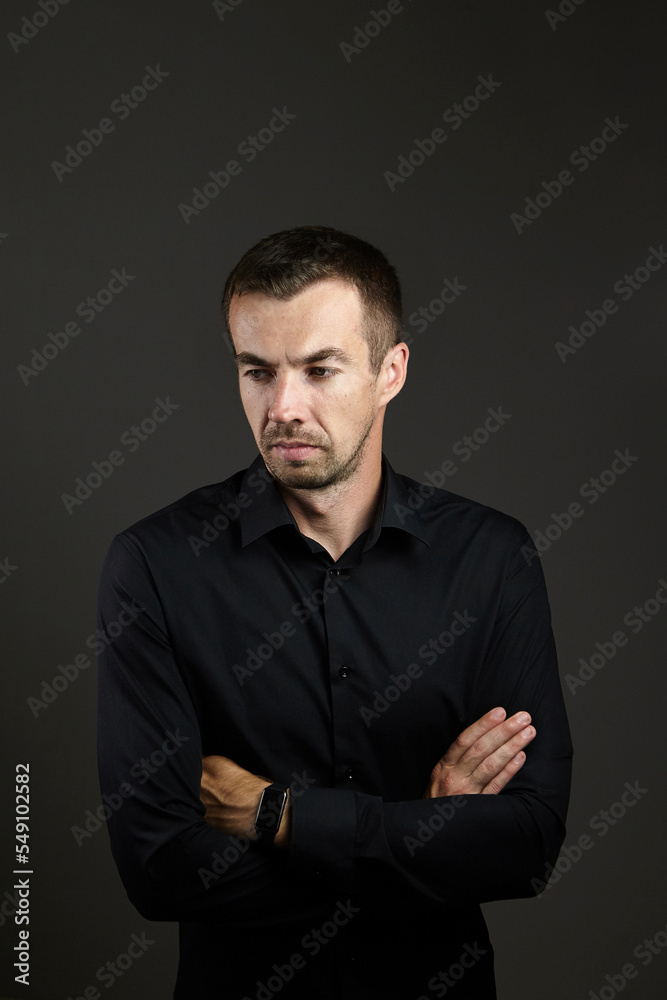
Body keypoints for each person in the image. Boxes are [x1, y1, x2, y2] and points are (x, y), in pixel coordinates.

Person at [97, 225, 572, 999]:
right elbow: (159, 870)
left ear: (392, 371)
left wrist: (279, 816)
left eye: (319, 369)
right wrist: (418, 832)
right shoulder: (154, 565)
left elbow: (524, 847)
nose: (283, 406)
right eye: (257, 371)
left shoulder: (491, 558)